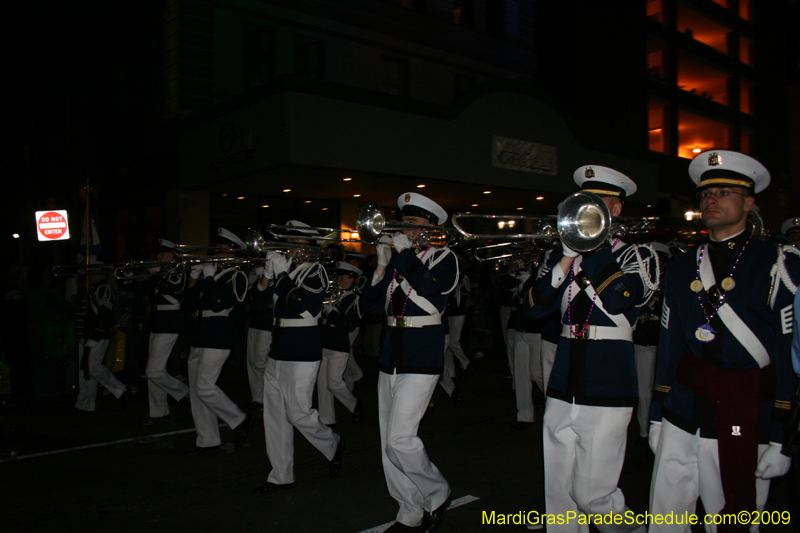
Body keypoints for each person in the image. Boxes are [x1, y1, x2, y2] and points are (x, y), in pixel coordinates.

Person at [649, 150, 799, 532]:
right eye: (705, 194)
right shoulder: (683, 266)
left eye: (724, 192)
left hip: (743, 410)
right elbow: (669, 344)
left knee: (733, 520)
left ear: (749, 203)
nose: (711, 200)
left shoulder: (778, 264)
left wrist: (782, 436)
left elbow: (787, 355)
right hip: (682, 409)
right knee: (666, 518)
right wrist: (657, 412)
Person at [523, 166, 658, 533]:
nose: (587, 213)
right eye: (582, 205)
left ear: (614, 211)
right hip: (564, 374)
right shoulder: (562, 256)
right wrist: (564, 259)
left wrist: (593, 250)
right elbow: (534, 307)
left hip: (608, 377)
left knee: (592, 495)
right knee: (559, 492)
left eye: (598, 205)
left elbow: (621, 299)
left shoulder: (637, 254)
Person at [361, 192, 457, 533]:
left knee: (400, 438)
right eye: (403, 223)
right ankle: (408, 511)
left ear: (430, 227)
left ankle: (438, 491)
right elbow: (371, 306)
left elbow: (430, 291)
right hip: (392, 352)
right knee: (388, 442)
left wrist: (403, 255)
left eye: (412, 224)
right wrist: (383, 264)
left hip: (422, 352)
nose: (405, 229)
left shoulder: (444, 258)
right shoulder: (399, 260)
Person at [254, 221, 343, 494]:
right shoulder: (287, 272)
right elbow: (259, 304)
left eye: (296, 244)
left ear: (308, 247)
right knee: (275, 417)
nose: (289, 249)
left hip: (303, 350)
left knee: (299, 413)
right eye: (287, 243)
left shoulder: (315, 271)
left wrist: (281, 275)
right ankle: (281, 476)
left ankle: (332, 443)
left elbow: (301, 303)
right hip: (278, 349)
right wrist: (268, 276)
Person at [184, 228, 251, 456]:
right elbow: (188, 303)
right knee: (196, 391)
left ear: (235, 253)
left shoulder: (237, 276)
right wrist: (194, 277)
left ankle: (239, 418)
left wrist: (209, 278)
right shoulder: (210, 274)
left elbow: (216, 303)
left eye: (224, 248)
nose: (218, 251)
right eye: (218, 247)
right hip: (200, 333)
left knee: (205, 387)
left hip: (217, 333)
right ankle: (207, 440)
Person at [143, 239, 189, 424]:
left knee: (153, 371)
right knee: (154, 370)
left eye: (162, 253)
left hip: (169, 322)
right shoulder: (164, 273)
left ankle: (183, 391)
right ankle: (158, 411)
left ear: (172, 254)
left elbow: (174, 294)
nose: (158, 256)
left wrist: (157, 277)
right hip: (157, 322)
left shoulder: (178, 271)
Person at [630, 242, 670, 445]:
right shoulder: (639, 281)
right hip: (643, 340)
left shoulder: (670, 283)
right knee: (644, 388)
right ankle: (645, 430)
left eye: (658, 260)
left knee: (661, 387)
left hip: (661, 341)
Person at [75, 264, 129, 412]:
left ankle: (119, 389)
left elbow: (105, 315)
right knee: (85, 370)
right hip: (89, 334)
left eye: (92, 273)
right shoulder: (95, 289)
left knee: (93, 368)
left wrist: (96, 335)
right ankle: (85, 403)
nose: (89, 276)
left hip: (97, 335)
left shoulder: (103, 289)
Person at [318, 261, 363, 426]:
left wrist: (332, 315)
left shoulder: (354, 299)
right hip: (325, 340)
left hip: (339, 344)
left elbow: (349, 325)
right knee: (322, 384)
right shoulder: (331, 294)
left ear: (352, 279)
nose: (339, 280)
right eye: (339, 277)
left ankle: (354, 404)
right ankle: (327, 418)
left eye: (343, 277)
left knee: (334, 382)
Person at [245, 264, 273, 411]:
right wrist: (252, 282)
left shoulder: (274, 277)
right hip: (255, 320)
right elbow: (249, 299)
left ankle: (269, 393)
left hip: (267, 322)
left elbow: (265, 301)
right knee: (251, 360)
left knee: (260, 361)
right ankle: (257, 397)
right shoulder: (259, 277)